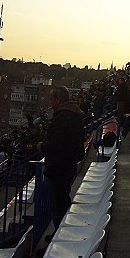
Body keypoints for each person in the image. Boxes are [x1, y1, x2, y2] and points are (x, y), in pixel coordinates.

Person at [37, 86, 84, 233]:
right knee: (62, 199)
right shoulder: (72, 114)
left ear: (58, 99)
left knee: (58, 203)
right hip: (67, 165)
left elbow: (57, 143)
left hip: (59, 166)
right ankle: (60, 232)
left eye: (51, 99)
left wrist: (42, 146)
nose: (50, 103)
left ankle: (61, 234)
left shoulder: (64, 117)